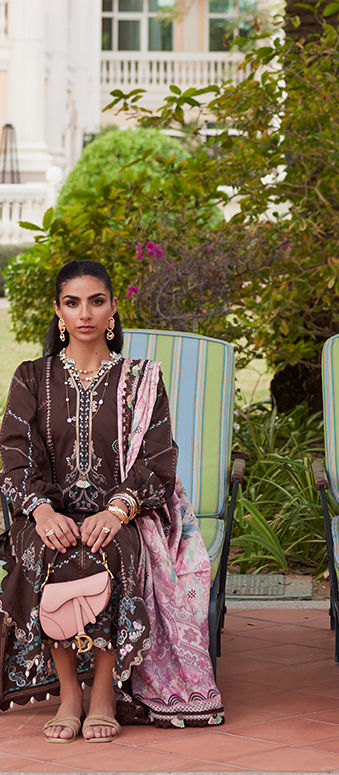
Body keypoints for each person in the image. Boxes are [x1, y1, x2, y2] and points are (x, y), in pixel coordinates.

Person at [0, 260, 224, 741]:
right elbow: (14, 454)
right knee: (49, 551)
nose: (85, 314)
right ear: (58, 311)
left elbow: (158, 457)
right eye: (73, 303)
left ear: (113, 308)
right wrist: (42, 511)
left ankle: (103, 692)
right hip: (46, 513)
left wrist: (118, 510)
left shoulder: (140, 380)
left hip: (122, 513)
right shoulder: (31, 377)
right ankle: (70, 694)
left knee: (111, 549)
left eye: (96, 301)